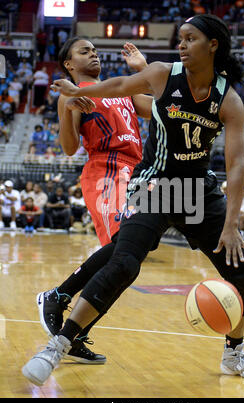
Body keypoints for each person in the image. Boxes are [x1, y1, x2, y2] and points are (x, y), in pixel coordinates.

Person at [23, 15, 244, 386]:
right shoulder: (162, 74)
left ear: (213, 45)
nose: (181, 45)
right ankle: (56, 346)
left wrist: (232, 224)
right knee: (124, 261)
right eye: (180, 39)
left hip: (197, 190)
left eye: (190, 39)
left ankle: (234, 352)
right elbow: (121, 84)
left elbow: (236, 167)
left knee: (242, 273)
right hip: (154, 183)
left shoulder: (228, 99)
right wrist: (75, 92)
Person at [33, 38, 152, 363]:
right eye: (84, 51)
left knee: (130, 262)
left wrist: (144, 70)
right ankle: (58, 296)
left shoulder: (120, 89)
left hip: (136, 171)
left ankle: (77, 332)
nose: (93, 54)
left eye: (95, 50)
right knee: (124, 246)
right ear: (69, 64)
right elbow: (70, 147)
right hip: (106, 168)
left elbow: (162, 107)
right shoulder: (71, 92)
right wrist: (69, 110)